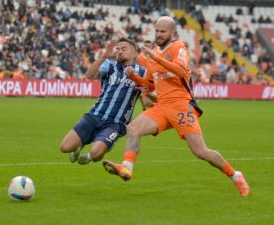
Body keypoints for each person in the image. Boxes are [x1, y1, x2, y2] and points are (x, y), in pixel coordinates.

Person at [102, 16, 250, 197]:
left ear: (173, 33)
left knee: (200, 151)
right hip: (162, 105)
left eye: (163, 31)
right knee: (132, 128)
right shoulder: (152, 53)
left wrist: (157, 58)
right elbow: (150, 84)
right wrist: (134, 77)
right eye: (157, 31)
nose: (159, 34)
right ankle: (126, 168)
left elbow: (181, 71)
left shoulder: (178, 47)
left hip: (181, 105)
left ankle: (236, 176)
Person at [59, 37, 146, 165]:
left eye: (124, 49)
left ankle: (90, 155)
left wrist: (145, 98)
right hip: (94, 115)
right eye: (117, 49)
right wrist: (103, 57)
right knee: (64, 147)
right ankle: (80, 144)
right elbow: (89, 76)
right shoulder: (109, 65)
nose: (119, 51)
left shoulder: (143, 72)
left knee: (96, 154)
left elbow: (146, 95)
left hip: (115, 123)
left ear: (134, 53)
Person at [137, 40, 157, 110]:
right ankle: (145, 108)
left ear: (151, 47)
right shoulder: (139, 58)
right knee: (141, 97)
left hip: (152, 81)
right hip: (142, 81)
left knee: (150, 99)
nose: (147, 47)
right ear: (143, 47)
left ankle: (154, 109)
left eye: (149, 46)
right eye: (146, 46)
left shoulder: (153, 57)